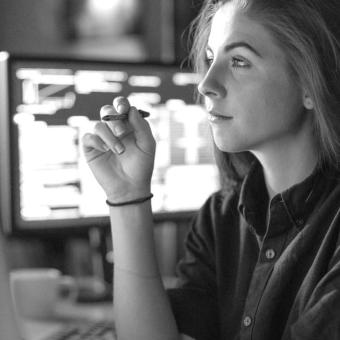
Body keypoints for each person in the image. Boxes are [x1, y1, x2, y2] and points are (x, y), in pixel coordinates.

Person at [82, 0, 340, 339]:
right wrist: (127, 196)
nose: (205, 84)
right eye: (209, 58)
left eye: (238, 61)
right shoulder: (219, 219)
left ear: (310, 82)